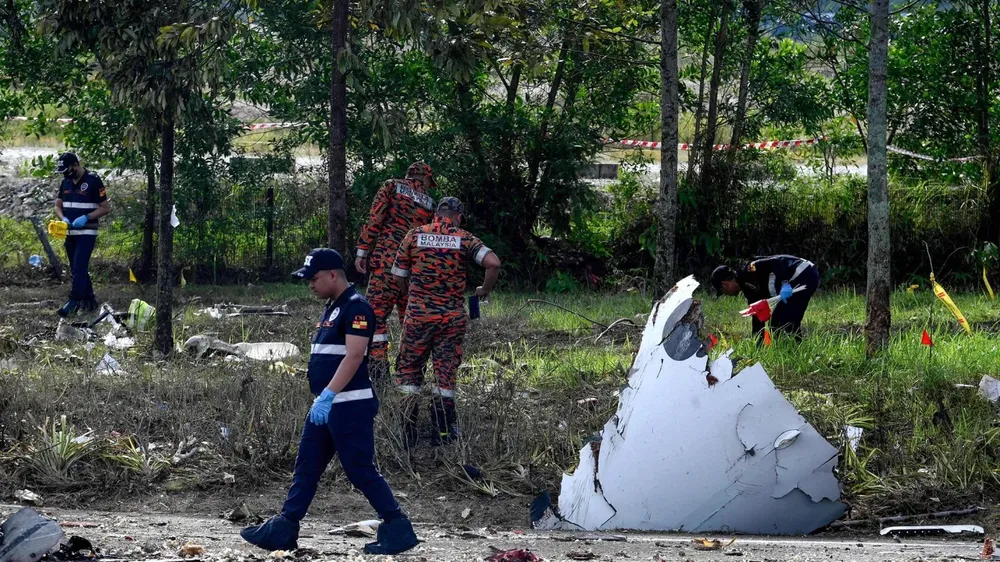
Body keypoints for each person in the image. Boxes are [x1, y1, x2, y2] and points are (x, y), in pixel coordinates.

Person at [241, 248, 418, 555]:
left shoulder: (357, 307)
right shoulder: (332, 307)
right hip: (325, 405)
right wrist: (322, 398)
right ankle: (284, 528)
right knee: (307, 466)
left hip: (348, 404)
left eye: (314, 278)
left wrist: (329, 394)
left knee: (359, 469)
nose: (309, 284)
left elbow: (354, 356)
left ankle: (397, 526)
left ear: (333, 275)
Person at [391, 197, 500, 446]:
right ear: (458, 216)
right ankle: (443, 432)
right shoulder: (464, 237)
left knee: (408, 369)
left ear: (436, 213)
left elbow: (398, 275)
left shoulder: (414, 235)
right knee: (445, 371)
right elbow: (493, 263)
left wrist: (414, 295)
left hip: (418, 315)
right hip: (451, 319)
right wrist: (484, 289)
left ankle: (407, 433)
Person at [355, 162, 436, 383]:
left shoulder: (391, 186)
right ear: (424, 177)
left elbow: (375, 218)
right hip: (411, 270)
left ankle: (378, 371)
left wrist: (362, 250)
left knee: (376, 317)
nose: (429, 187)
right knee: (409, 321)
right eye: (430, 182)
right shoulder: (429, 203)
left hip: (386, 263)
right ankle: (411, 373)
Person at [711, 254, 820, 340]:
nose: (726, 294)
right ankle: (792, 350)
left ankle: (796, 353)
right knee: (776, 324)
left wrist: (785, 284)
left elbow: (775, 262)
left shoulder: (749, 269)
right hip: (796, 280)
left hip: (803, 273)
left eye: (723, 291)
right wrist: (758, 344)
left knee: (786, 323)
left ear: (725, 284)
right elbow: (758, 318)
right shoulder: (749, 290)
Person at [54, 152, 110, 317]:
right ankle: (89, 300)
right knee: (76, 268)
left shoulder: (93, 181)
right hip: (70, 232)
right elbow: (57, 206)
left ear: (75, 165)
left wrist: (86, 217)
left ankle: (74, 301)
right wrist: (62, 218)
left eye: (67, 169)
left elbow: (105, 208)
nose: (65, 173)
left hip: (86, 232)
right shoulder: (65, 182)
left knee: (79, 265)